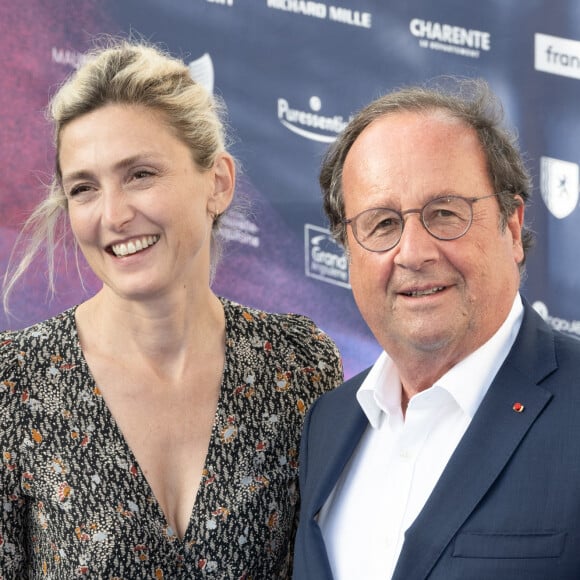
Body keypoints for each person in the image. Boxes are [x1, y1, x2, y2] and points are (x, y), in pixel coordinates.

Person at [0, 39, 343, 578]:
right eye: (84, 188)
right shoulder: (15, 384)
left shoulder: (298, 364)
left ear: (218, 183)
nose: (113, 214)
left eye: (140, 174)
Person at [292, 78, 580, 580]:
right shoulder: (329, 423)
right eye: (382, 224)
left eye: (444, 214)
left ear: (511, 227)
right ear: (347, 251)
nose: (414, 252)